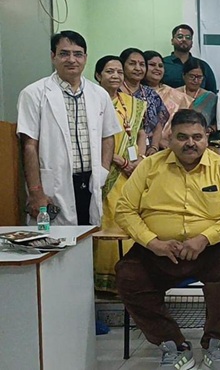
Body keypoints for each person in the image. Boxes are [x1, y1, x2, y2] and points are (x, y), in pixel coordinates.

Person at [115, 109, 220, 370]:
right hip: (158, 250)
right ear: (170, 138)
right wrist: (152, 242)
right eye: (182, 137)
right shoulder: (150, 167)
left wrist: (204, 238)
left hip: (210, 249)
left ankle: (216, 345)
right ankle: (173, 345)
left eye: (197, 137)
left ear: (206, 138)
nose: (190, 143)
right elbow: (124, 210)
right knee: (128, 276)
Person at [17, 31, 120, 226]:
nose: (72, 60)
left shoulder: (99, 94)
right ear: (53, 56)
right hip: (53, 183)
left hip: (90, 181)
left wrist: (103, 172)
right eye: (64, 54)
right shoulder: (34, 93)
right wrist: (36, 191)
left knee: (88, 237)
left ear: (85, 58)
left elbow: (108, 136)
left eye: (78, 54)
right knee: (55, 240)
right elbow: (29, 145)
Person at [92, 55, 147, 293]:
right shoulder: (92, 102)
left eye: (118, 72)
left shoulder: (131, 103)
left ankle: (130, 280)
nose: (115, 76)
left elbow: (141, 132)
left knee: (130, 221)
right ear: (98, 76)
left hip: (132, 173)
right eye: (109, 71)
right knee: (109, 221)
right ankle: (106, 281)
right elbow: (93, 139)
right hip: (107, 171)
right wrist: (120, 161)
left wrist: (139, 159)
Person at [119, 47, 170, 154]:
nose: (138, 68)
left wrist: (154, 147)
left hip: (149, 150)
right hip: (120, 148)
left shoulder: (150, 93)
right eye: (132, 64)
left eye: (142, 64)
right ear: (122, 66)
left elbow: (158, 124)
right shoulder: (115, 92)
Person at [142, 50, 192, 149]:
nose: (157, 68)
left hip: (171, 146)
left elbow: (184, 122)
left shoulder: (176, 95)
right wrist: (157, 140)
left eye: (160, 66)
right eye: (152, 65)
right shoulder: (137, 93)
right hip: (142, 145)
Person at [162, 24, 218, 92]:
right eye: (180, 37)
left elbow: (212, 93)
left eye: (188, 37)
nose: (184, 39)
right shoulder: (162, 64)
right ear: (172, 41)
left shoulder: (202, 65)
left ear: (192, 43)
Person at [178, 57, 218, 131]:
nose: (195, 80)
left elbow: (219, 121)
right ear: (184, 75)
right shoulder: (173, 94)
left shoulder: (210, 97)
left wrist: (211, 129)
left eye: (199, 77)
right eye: (192, 76)